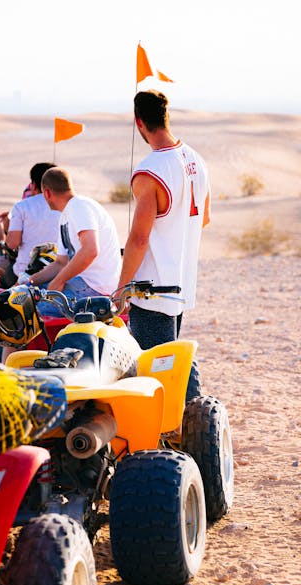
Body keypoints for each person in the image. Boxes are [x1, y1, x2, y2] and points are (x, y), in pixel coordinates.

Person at [117, 89, 211, 401]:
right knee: (171, 363)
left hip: (152, 288)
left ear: (138, 122)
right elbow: (204, 219)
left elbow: (139, 238)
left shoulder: (150, 170)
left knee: (162, 370)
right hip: (181, 283)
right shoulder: (197, 160)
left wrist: (120, 288)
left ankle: (196, 434)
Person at [28, 166, 121, 315]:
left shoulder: (79, 206)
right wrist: (30, 280)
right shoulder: (66, 214)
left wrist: (58, 281)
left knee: (31, 313)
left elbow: (90, 250)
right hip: (80, 282)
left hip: (95, 287)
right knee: (27, 296)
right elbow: (61, 263)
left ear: (46, 193)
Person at [0, 162, 60, 287]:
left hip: (26, 273)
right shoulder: (67, 205)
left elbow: (12, 243)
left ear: (33, 185)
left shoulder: (23, 206)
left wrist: (8, 226)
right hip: (60, 272)